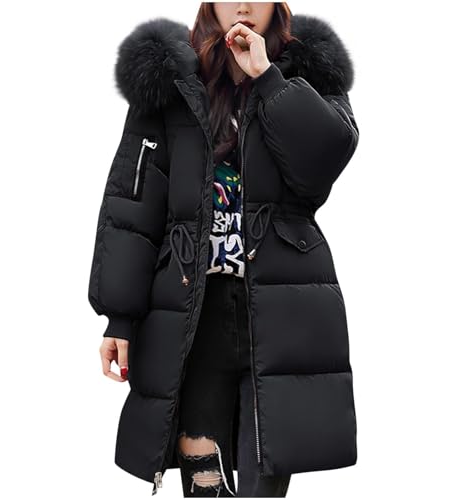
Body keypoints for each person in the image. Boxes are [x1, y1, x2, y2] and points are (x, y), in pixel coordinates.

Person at [88, 2, 360, 497]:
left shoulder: (310, 72)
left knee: (263, 486)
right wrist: (119, 318)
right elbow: (134, 204)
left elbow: (321, 166)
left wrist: (268, 79)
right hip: (193, 318)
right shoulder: (170, 79)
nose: (243, 5)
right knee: (204, 485)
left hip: (281, 313)